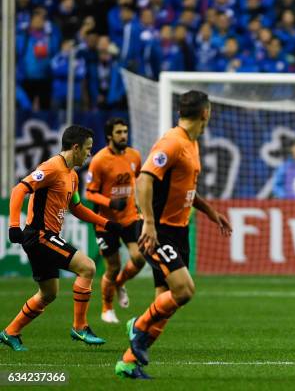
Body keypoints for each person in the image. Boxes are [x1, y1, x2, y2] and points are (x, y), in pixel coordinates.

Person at [115, 90, 232, 379]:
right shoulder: (173, 142)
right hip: (159, 231)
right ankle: (138, 325)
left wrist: (209, 211)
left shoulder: (191, 143)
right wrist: (150, 224)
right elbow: (144, 179)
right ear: (206, 112)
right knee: (185, 290)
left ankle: (128, 363)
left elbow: (184, 188)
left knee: (166, 302)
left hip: (179, 230)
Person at [1, 125, 122, 351]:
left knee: (48, 294)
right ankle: (80, 327)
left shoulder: (72, 176)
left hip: (45, 236)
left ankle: (10, 332)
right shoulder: (51, 168)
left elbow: (76, 208)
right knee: (87, 267)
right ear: (75, 147)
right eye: (87, 149)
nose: (89, 154)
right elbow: (19, 189)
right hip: (39, 235)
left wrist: (106, 223)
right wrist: (13, 225)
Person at [85, 118, 146, 324]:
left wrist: (142, 206)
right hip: (105, 222)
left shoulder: (134, 156)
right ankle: (107, 309)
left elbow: (139, 180)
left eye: (125, 131)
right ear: (110, 135)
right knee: (113, 266)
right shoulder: (100, 160)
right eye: (119, 132)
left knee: (139, 258)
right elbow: (90, 193)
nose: (123, 136)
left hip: (129, 217)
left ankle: (120, 283)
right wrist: (110, 202)